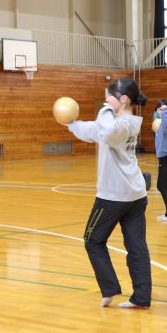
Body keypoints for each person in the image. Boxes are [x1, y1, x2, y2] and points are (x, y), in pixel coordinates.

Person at [61, 77, 152, 309]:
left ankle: (110, 288)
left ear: (123, 99)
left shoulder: (122, 124)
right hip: (135, 194)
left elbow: (107, 130)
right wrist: (72, 123)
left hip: (114, 196)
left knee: (93, 240)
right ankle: (141, 298)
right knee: (137, 246)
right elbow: (95, 130)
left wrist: (105, 110)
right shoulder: (120, 121)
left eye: (109, 97)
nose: (105, 100)